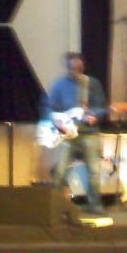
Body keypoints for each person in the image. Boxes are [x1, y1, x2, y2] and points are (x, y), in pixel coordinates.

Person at [42, 52, 108, 214]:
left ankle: (94, 205)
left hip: (89, 133)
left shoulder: (92, 84)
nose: (76, 71)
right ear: (68, 67)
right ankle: (55, 206)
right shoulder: (59, 85)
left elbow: (101, 107)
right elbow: (48, 107)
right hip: (68, 135)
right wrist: (56, 121)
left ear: (83, 66)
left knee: (94, 171)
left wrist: (95, 116)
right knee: (60, 171)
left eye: (79, 68)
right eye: (73, 68)